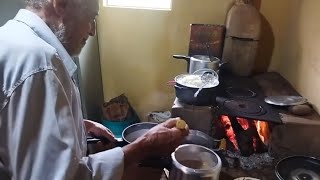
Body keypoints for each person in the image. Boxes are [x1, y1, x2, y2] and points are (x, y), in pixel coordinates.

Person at [0, 0, 189, 179]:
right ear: (61, 4)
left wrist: (79, 126)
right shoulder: (40, 64)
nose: (92, 31)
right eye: (90, 18)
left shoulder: (11, 36)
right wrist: (142, 148)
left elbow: (17, 129)